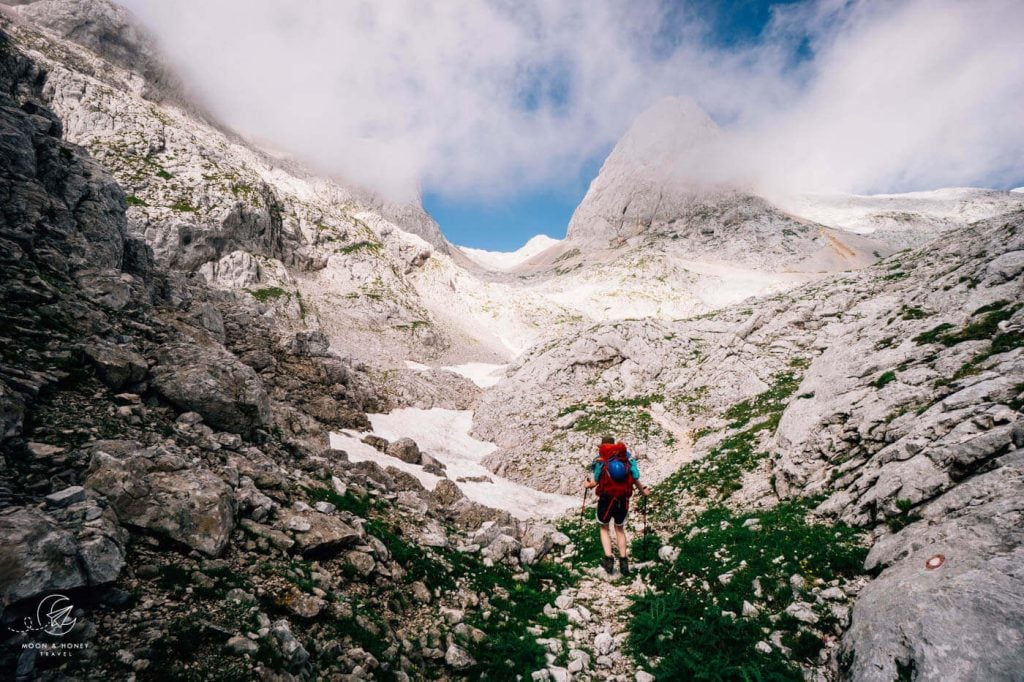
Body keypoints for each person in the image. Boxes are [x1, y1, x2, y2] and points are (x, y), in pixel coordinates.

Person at [584, 436, 649, 576]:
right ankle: (624, 562)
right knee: (619, 529)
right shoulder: (626, 458)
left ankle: (608, 560)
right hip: (623, 499)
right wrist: (642, 490)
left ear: (602, 446)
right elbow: (634, 477)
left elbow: (595, 482)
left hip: (606, 499)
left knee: (604, 527)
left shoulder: (601, 460)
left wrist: (587, 485)